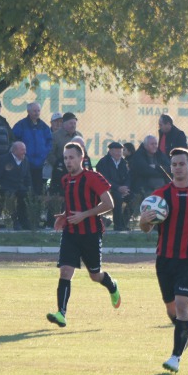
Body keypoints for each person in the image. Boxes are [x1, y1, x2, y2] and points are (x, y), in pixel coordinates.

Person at [139, 147, 188, 373]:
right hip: (165, 258)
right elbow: (145, 229)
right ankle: (186, 328)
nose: (177, 168)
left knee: (183, 305)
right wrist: (143, 220)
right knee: (172, 310)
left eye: (181, 164)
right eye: (174, 164)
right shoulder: (159, 196)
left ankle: (175, 357)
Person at [47, 142, 121, 328]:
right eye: (65, 158)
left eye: (72, 157)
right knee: (65, 271)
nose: (68, 161)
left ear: (82, 158)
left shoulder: (93, 177)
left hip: (90, 234)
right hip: (71, 233)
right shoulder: (66, 180)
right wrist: (65, 216)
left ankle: (112, 286)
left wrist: (84, 215)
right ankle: (61, 313)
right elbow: (74, 204)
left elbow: (109, 204)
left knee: (95, 275)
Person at [12, 101, 53, 196]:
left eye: (38, 110)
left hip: (39, 164)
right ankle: (22, 210)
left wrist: (44, 154)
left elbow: (49, 142)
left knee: (38, 190)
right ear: (28, 111)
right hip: (25, 163)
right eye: (34, 111)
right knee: (24, 189)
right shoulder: (21, 125)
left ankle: (36, 210)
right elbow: (14, 140)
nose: (37, 113)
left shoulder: (44, 127)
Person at [0, 141, 32, 230]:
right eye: (22, 150)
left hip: (19, 187)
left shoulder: (26, 160)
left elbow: (28, 177)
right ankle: (15, 222)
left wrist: (30, 189)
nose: (25, 152)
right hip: (6, 187)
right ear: (14, 151)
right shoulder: (4, 159)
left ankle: (24, 221)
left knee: (26, 196)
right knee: (10, 197)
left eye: (25, 150)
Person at [95, 141, 132, 231]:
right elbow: (104, 179)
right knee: (117, 198)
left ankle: (123, 223)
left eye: (120, 151)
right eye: (116, 151)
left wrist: (126, 188)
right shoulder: (103, 162)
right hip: (108, 189)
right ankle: (118, 226)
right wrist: (118, 188)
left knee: (133, 198)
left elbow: (128, 177)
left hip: (122, 189)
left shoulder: (124, 162)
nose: (119, 153)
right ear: (110, 151)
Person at [46, 112, 82, 195]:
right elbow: (50, 153)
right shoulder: (55, 136)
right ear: (63, 124)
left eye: (74, 123)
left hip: (77, 171)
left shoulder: (79, 136)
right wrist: (58, 165)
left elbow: (83, 152)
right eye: (70, 123)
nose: (73, 125)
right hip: (61, 171)